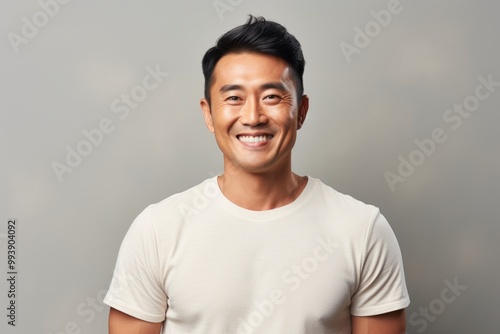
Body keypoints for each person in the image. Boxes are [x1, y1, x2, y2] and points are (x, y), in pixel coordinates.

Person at [104, 15, 410, 334]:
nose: (252, 117)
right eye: (234, 98)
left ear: (301, 111)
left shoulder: (362, 230)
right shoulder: (157, 231)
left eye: (272, 97)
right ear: (208, 113)